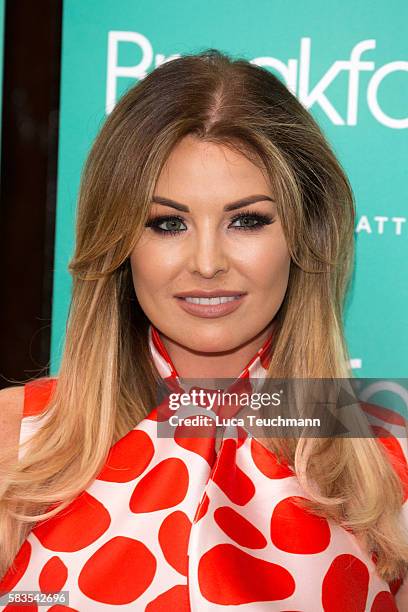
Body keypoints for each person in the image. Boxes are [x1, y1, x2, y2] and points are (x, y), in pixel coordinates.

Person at [0, 48, 407, 610]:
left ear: (305, 237)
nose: (208, 261)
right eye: (168, 223)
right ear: (118, 243)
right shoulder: (16, 442)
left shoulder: (386, 460)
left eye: (247, 220)